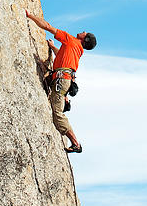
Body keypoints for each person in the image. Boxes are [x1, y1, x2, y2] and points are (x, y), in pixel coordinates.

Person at [25, 9, 97, 153]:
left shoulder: (71, 40)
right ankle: (65, 100)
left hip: (61, 80)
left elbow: (47, 26)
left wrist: (29, 15)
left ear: (85, 39)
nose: (82, 31)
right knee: (57, 106)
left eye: (84, 32)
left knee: (57, 113)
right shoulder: (76, 49)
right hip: (64, 79)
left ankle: (76, 143)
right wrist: (52, 47)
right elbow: (63, 58)